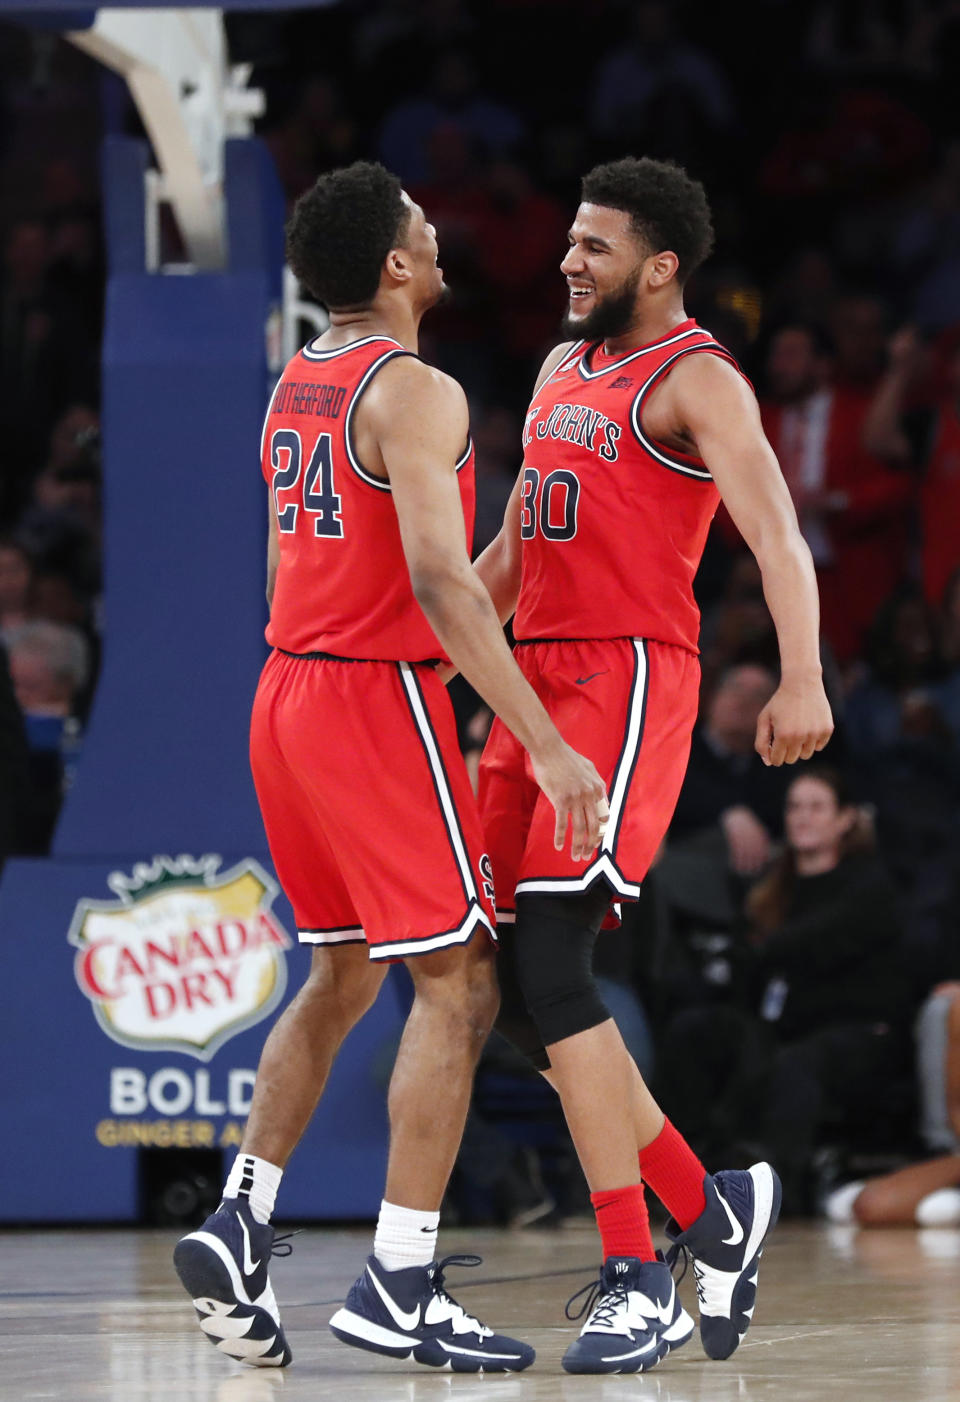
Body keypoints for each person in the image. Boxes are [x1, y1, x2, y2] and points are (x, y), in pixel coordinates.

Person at [173, 161, 605, 1373]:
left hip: (288, 690)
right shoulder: (416, 391)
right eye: (419, 221)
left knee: (344, 973)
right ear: (396, 268)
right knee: (460, 985)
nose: (435, 225)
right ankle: (400, 1280)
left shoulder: (294, 380)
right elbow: (435, 583)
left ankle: (242, 1217)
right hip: (372, 701)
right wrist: (545, 736)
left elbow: (292, 571)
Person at [473, 156, 834, 1374]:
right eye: (568, 240)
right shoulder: (561, 364)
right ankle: (714, 1207)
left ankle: (636, 1269)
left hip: (625, 682)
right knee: (505, 983)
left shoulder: (699, 379)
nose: (568, 261)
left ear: (662, 264)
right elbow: (517, 544)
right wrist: (435, 645)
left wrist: (803, 675)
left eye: (595, 245)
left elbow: (777, 532)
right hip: (531, 678)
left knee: (556, 958)